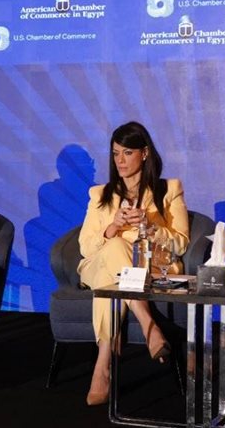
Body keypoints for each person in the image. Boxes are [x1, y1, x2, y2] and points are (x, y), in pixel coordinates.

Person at [77, 121, 189, 406]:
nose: (120, 160)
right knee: (114, 246)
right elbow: (85, 247)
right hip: (99, 262)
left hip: (149, 267)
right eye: (116, 153)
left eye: (128, 153)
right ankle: (149, 324)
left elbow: (181, 244)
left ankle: (103, 364)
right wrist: (113, 227)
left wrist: (150, 227)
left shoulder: (168, 189)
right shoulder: (99, 194)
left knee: (109, 279)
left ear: (145, 153)